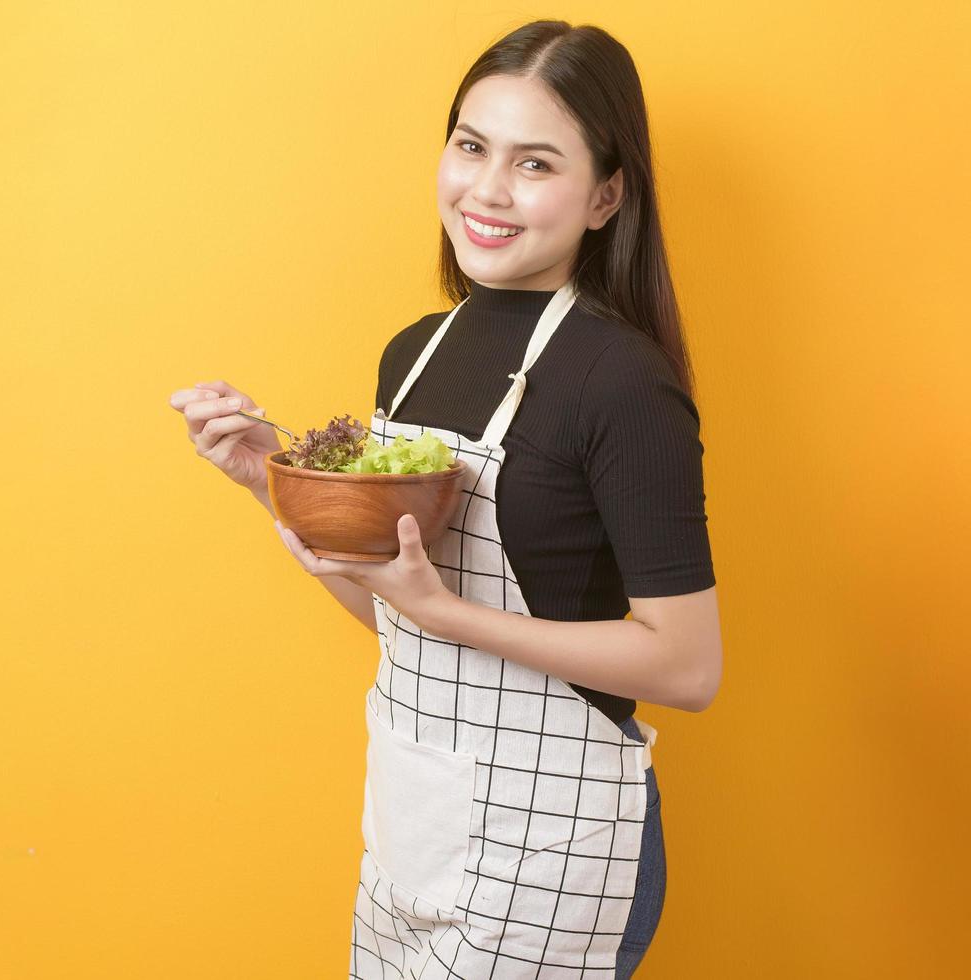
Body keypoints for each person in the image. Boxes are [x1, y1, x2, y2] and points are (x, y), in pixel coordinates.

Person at [167, 19, 721, 979]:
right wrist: (273, 483)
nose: (487, 190)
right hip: (416, 824)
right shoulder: (414, 357)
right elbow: (405, 626)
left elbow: (686, 665)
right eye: (471, 146)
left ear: (606, 195)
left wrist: (451, 614)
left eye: (535, 163)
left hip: (551, 843)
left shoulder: (620, 382)